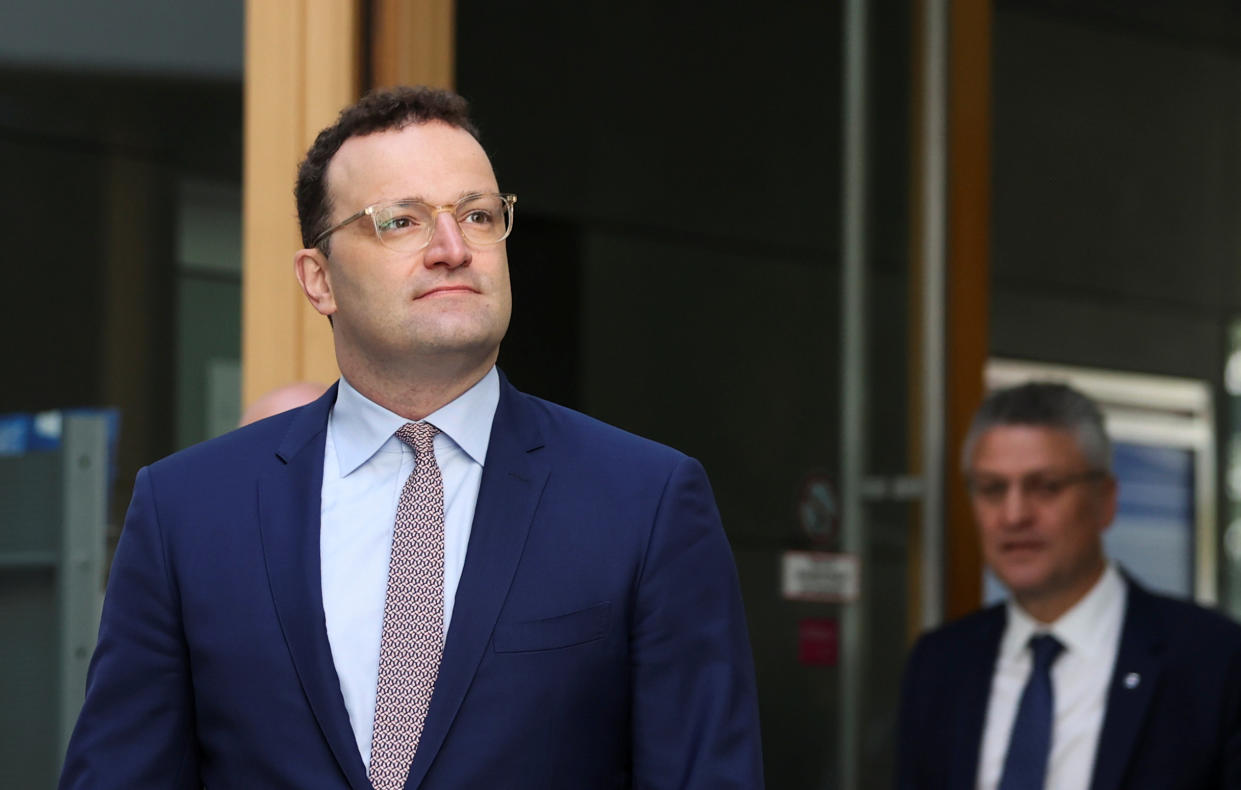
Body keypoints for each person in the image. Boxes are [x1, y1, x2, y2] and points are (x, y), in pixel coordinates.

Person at [60, 86, 764, 789]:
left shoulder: (644, 502)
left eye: (479, 215)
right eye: (401, 221)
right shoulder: (188, 511)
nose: (453, 249)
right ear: (319, 279)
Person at [896, 381, 1241, 790]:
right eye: (992, 489)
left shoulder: (1215, 660)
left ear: (1105, 501)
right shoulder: (940, 664)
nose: (1014, 515)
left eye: (1046, 487)